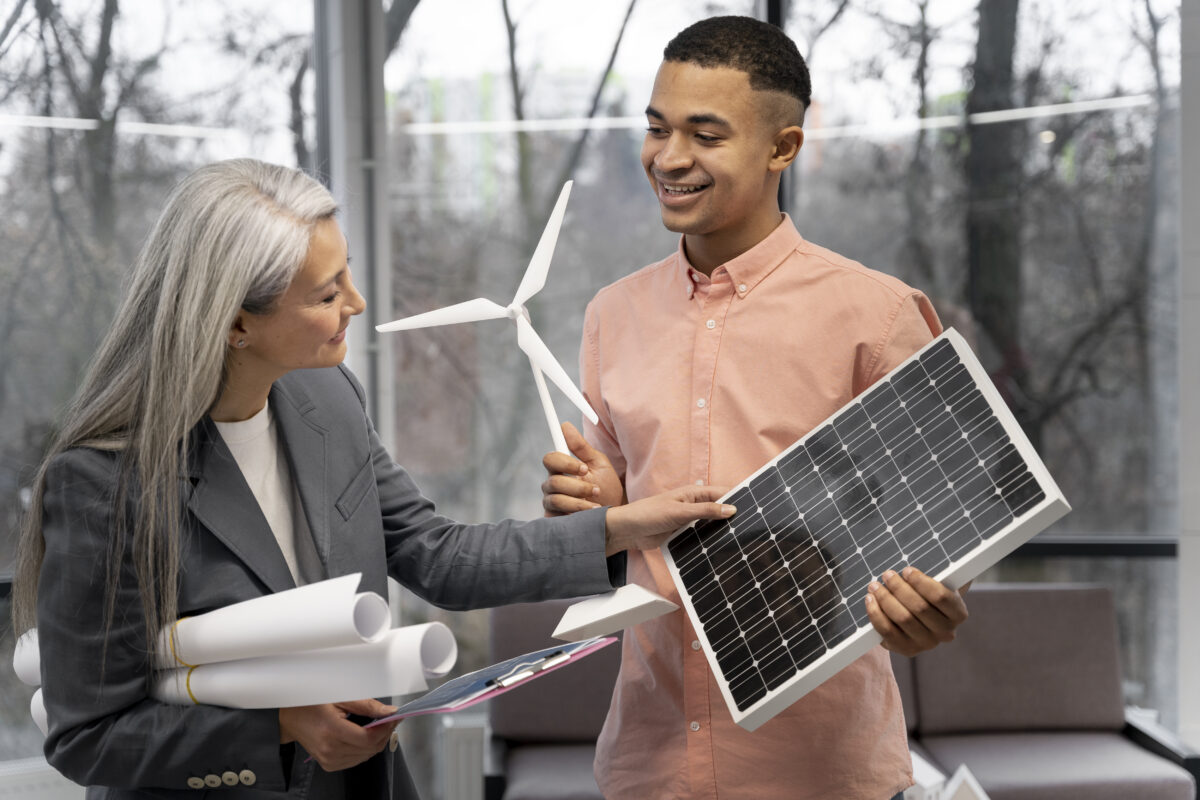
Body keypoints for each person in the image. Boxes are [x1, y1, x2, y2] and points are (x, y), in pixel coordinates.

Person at [10, 158, 736, 799]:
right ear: (236, 326)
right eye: (327, 294)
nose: (356, 304)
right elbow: (87, 736)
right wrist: (280, 731)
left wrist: (617, 529)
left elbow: (435, 555)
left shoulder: (325, 400)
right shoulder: (104, 483)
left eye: (347, 274)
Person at [541, 16, 969, 800]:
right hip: (649, 761)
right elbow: (614, 528)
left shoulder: (877, 316)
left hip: (820, 771)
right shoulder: (611, 314)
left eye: (705, 135)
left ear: (783, 148)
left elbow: (939, 528)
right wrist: (592, 512)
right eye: (657, 128)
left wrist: (931, 608)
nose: (668, 158)